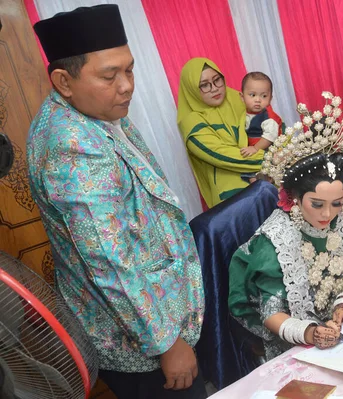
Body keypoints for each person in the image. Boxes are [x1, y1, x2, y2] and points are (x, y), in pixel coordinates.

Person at [28, 6, 206, 398]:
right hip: (142, 345)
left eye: (129, 70)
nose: (126, 85)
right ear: (63, 81)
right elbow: (111, 262)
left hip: (161, 316)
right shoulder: (72, 147)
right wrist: (166, 344)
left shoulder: (96, 110)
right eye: (110, 75)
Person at [228, 93, 343, 360]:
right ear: (294, 198)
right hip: (298, 336)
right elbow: (271, 314)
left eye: (337, 203)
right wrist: (311, 333)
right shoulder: (277, 241)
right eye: (317, 204)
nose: (328, 214)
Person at [177, 58, 264, 208]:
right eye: (204, 85)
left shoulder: (239, 99)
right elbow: (222, 155)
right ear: (192, 89)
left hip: (269, 182)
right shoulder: (191, 121)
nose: (214, 88)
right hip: (233, 197)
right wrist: (271, 159)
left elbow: (274, 128)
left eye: (217, 80)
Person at [239, 71, 283, 158]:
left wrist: (255, 148)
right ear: (242, 97)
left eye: (264, 96)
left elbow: (270, 136)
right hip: (252, 149)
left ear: (270, 99)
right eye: (253, 95)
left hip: (268, 151)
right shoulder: (242, 113)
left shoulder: (268, 118)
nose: (258, 100)